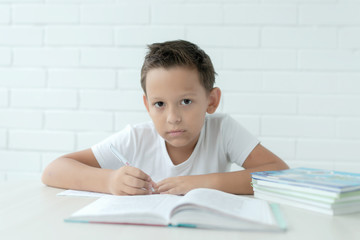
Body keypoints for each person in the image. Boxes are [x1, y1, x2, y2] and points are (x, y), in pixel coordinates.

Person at [42, 40, 288, 196]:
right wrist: (109, 181)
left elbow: (279, 174)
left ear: (211, 101)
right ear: (147, 105)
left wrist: (200, 183)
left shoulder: (223, 130)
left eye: (186, 102)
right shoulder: (137, 138)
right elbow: (53, 171)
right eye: (159, 104)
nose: (173, 118)